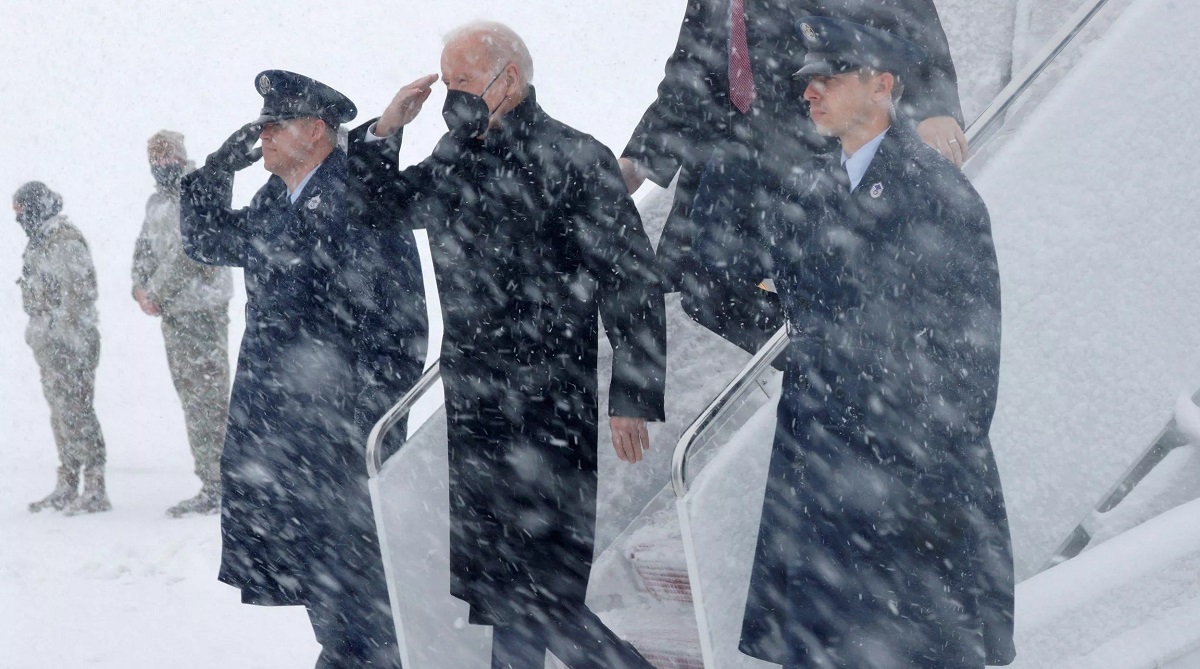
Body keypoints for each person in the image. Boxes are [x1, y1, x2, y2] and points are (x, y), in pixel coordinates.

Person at [349, 21, 666, 669]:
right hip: (476, 406)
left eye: (461, 81)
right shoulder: (454, 155)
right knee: (501, 589)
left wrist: (632, 390)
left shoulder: (576, 157)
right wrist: (387, 129)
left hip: (550, 408)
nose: (449, 96)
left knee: (543, 590)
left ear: (508, 80)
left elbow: (630, 279)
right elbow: (378, 209)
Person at [730, 18, 1015, 669]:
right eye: (806, 82)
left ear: (882, 84)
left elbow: (972, 363)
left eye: (827, 78)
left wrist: (914, 462)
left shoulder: (941, 194)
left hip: (907, 483)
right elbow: (784, 309)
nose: (810, 91)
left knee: (913, 650)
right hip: (818, 471)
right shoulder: (805, 191)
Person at [180, 70, 426, 668]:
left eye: (274, 124)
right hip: (286, 432)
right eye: (259, 125)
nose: (261, 135)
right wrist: (216, 168)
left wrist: (363, 420)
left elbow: (399, 323)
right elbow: (208, 241)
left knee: (363, 597)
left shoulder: (357, 193)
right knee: (329, 592)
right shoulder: (272, 201)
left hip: (340, 437)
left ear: (317, 131)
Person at [620, 0, 968, 356]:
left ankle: (868, 358)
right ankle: (832, 359)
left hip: (822, 140)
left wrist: (932, 108)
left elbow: (906, 12)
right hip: (742, 156)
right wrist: (639, 159)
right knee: (704, 286)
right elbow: (692, 66)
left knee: (834, 267)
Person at [131, 130, 234, 517]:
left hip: (201, 311)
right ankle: (210, 480)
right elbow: (143, 249)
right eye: (155, 160)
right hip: (175, 315)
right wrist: (139, 287)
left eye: (168, 158)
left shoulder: (197, 191)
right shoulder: (156, 202)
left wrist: (156, 290)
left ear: (181, 157)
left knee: (209, 399)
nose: (162, 166)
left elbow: (189, 250)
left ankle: (222, 482)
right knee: (192, 399)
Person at [15, 181, 111, 516]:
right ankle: (68, 482)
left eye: (23, 211)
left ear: (38, 207)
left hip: (72, 344)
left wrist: (60, 336)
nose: (19, 220)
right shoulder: (39, 242)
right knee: (61, 414)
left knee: (78, 411)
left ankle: (95, 488)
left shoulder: (64, 241)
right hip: (51, 345)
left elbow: (77, 297)